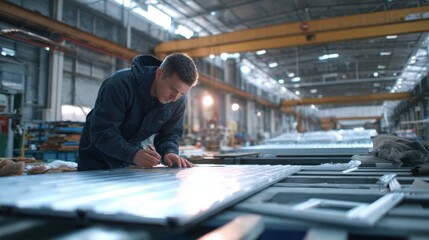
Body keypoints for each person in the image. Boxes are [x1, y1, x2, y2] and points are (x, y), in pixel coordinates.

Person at [78, 53, 198, 171]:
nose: (174, 98)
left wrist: (169, 152)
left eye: (182, 93)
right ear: (159, 73)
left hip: (126, 162)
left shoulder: (178, 100)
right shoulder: (119, 84)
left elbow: (170, 134)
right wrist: (133, 154)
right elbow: (103, 131)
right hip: (96, 159)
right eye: (173, 89)